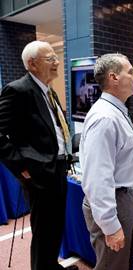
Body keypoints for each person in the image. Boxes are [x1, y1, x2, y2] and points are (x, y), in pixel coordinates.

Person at [0, 41, 77, 270]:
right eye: (50, 58)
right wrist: (21, 167)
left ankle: (50, 265)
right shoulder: (18, 90)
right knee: (44, 230)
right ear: (32, 64)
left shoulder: (48, 90)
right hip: (39, 173)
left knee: (55, 226)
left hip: (58, 167)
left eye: (56, 57)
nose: (57, 62)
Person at [80, 53, 133, 270]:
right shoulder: (105, 118)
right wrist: (110, 225)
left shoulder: (116, 111)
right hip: (113, 202)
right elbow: (97, 178)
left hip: (124, 197)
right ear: (114, 77)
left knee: (119, 264)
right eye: (131, 72)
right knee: (111, 266)